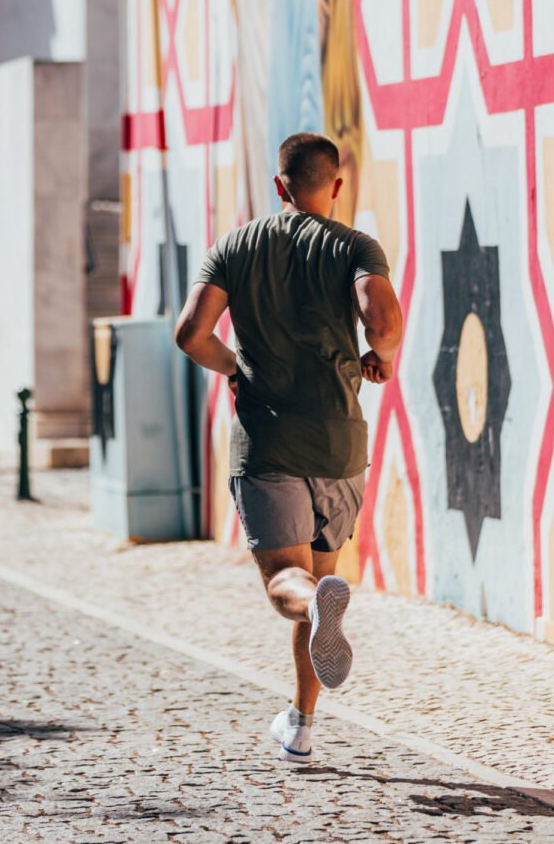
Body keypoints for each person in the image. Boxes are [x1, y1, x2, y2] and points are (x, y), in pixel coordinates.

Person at [175, 132, 403, 762]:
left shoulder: (237, 246)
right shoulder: (355, 246)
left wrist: (233, 367)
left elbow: (192, 334)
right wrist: (378, 358)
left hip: (270, 441)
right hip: (338, 446)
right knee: (319, 581)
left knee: (287, 583)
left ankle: (315, 605)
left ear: (280, 186)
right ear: (335, 184)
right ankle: (301, 725)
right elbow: (382, 321)